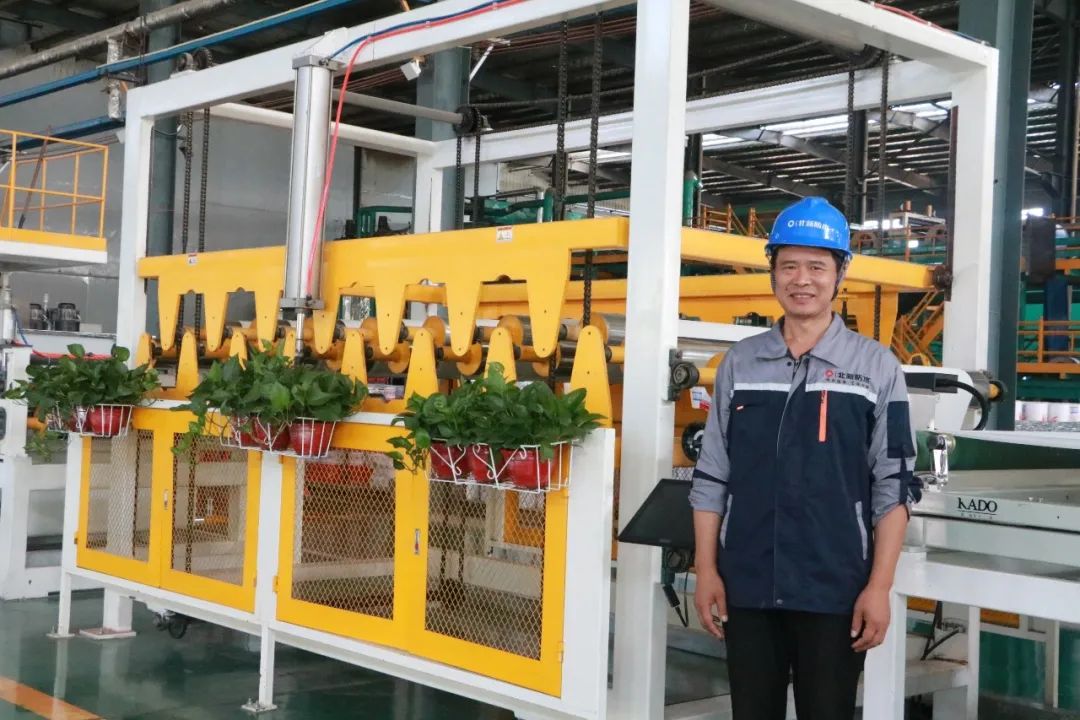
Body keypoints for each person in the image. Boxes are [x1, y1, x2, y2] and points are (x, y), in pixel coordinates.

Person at [689, 196, 920, 720]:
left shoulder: (877, 368)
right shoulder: (741, 363)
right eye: (789, 265)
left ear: (840, 274)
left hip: (834, 587)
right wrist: (706, 570)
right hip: (748, 582)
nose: (802, 280)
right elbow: (712, 475)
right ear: (772, 272)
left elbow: (894, 484)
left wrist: (880, 587)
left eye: (817, 266)